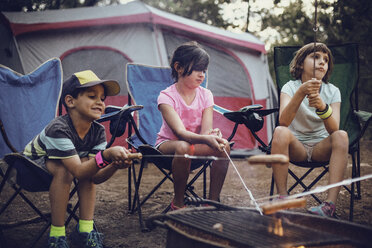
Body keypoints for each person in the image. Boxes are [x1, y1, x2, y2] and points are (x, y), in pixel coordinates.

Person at [23, 70, 132, 248]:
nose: (99, 102)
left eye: (102, 98)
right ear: (70, 101)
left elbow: (94, 175)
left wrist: (114, 164)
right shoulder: (58, 128)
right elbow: (79, 171)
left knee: (87, 167)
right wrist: (106, 155)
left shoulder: (98, 131)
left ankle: (85, 230)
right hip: (29, 168)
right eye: (92, 96)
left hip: (66, 168)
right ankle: (56, 236)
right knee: (67, 169)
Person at [271, 43, 348, 218]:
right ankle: (283, 199)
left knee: (342, 135)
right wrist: (300, 93)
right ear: (300, 64)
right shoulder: (289, 87)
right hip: (296, 146)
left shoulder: (333, 91)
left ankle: (329, 205)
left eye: (326, 60)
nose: (322, 62)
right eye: (315, 57)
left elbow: (334, 128)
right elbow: (283, 121)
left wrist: (322, 106)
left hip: (321, 147)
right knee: (280, 131)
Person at [156, 41, 230, 210]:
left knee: (223, 145)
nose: (202, 75)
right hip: (168, 146)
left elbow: (205, 132)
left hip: (195, 146)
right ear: (178, 67)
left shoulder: (206, 95)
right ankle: (178, 202)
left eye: (204, 70)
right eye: (197, 69)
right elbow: (180, 132)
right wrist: (206, 138)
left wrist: (211, 135)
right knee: (183, 146)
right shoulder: (166, 96)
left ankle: (212, 202)